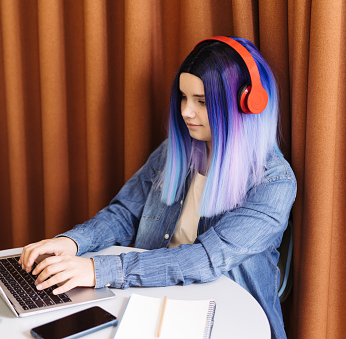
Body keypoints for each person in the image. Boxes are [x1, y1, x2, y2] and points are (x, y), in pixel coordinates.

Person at [19, 36, 296, 339]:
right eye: (183, 97)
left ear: (246, 104)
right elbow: (126, 213)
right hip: (152, 298)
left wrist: (99, 270)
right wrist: (74, 242)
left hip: (227, 320)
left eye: (202, 102)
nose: (186, 112)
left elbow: (205, 259)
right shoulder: (174, 151)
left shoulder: (274, 183)